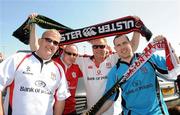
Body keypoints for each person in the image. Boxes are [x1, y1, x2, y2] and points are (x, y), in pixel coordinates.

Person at [29, 13, 141, 115]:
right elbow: (38, 50)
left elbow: (133, 47)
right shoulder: (83, 61)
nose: (98, 49)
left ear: (106, 47)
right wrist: (33, 26)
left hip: (112, 112)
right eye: (95, 46)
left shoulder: (113, 59)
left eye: (101, 46)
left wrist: (137, 28)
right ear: (92, 48)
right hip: (91, 112)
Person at [96, 35, 180, 115]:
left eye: (125, 43)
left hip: (157, 112)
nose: (122, 47)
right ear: (115, 49)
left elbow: (175, 67)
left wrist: (168, 45)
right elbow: (109, 100)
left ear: (130, 43)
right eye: (118, 45)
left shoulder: (148, 57)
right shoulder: (114, 72)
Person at [0, 29, 70, 115]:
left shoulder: (58, 69)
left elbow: (61, 99)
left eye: (55, 43)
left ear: (57, 48)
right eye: (48, 40)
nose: (51, 44)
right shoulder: (18, 59)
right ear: (40, 41)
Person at [29, 13, 83, 115]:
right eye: (69, 53)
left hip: (71, 110)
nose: (72, 56)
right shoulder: (54, 63)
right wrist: (33, 26)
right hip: (53, 110)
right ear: (62, 52)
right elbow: (35, 48)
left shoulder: (77, 67)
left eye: (75, 54)